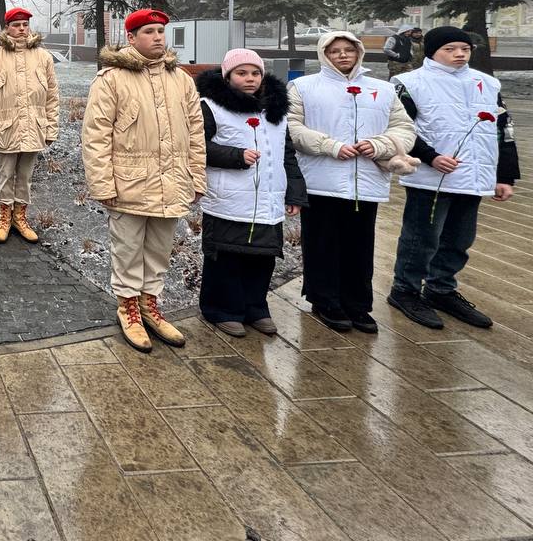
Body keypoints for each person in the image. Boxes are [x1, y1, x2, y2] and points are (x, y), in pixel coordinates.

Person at [82, 9, 205, 353]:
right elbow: (95, 136)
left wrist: (197, 176)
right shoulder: (111, 80)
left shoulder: (180, 79)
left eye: (161, 32)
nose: (157, 38)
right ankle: (129, 308)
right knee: (128, 249)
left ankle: (151, 304)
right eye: (149, 32)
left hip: (173, 181)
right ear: (132, 38)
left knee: (159, 250)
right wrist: (103, 185)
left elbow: (196, 131)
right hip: (129, 184)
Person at [387, 26, 519, 330]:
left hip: (474, 175)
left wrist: (505, 176)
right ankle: (404, 290)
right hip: (432, 175)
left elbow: (504, 131)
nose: (460, 54)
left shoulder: (486, 83)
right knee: (422, 238)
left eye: (465, 48)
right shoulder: (409, 83)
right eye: (450, 49)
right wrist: (430, 156)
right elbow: (399, 128)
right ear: (433, 51)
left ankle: (440, 289)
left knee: (460, 238)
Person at [287, 31, 416, 333]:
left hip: (366, 180)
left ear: (359, 52)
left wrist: (381, 144)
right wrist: (330, 145)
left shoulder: (382, 89)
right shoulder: (304, 87)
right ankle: (324, 299)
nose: (343, 55)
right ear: (324, 55)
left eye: (349, 50)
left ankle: (357, 303)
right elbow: (292, 127)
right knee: (322, 242)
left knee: (360, 245)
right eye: (335, 51)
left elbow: (404, 128)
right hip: (321, 179)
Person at [195, 50, 307, 337]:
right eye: (241, 73)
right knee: (228, 256)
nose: (249, 79)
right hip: (228, 198)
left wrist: (294, 192)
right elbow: (194, 147)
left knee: (263, 256)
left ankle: (255, 307)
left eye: (255, 73)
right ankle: (221, 309)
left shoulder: (275, 110)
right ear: (228, 76)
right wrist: (235, 155)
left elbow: (287, 154)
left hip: (268, 198)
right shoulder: (211, 106)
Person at [0, 7, 58, 245]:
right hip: (6, 128)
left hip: (34, 126)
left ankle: (20, 217)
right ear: (7, 28)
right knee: (5, 174)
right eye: (16, 25)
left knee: (25, 176)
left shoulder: (43, 57)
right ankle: (4, 217)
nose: (22, 29)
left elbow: (52, 95)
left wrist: (51, 128)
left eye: (25, 25)